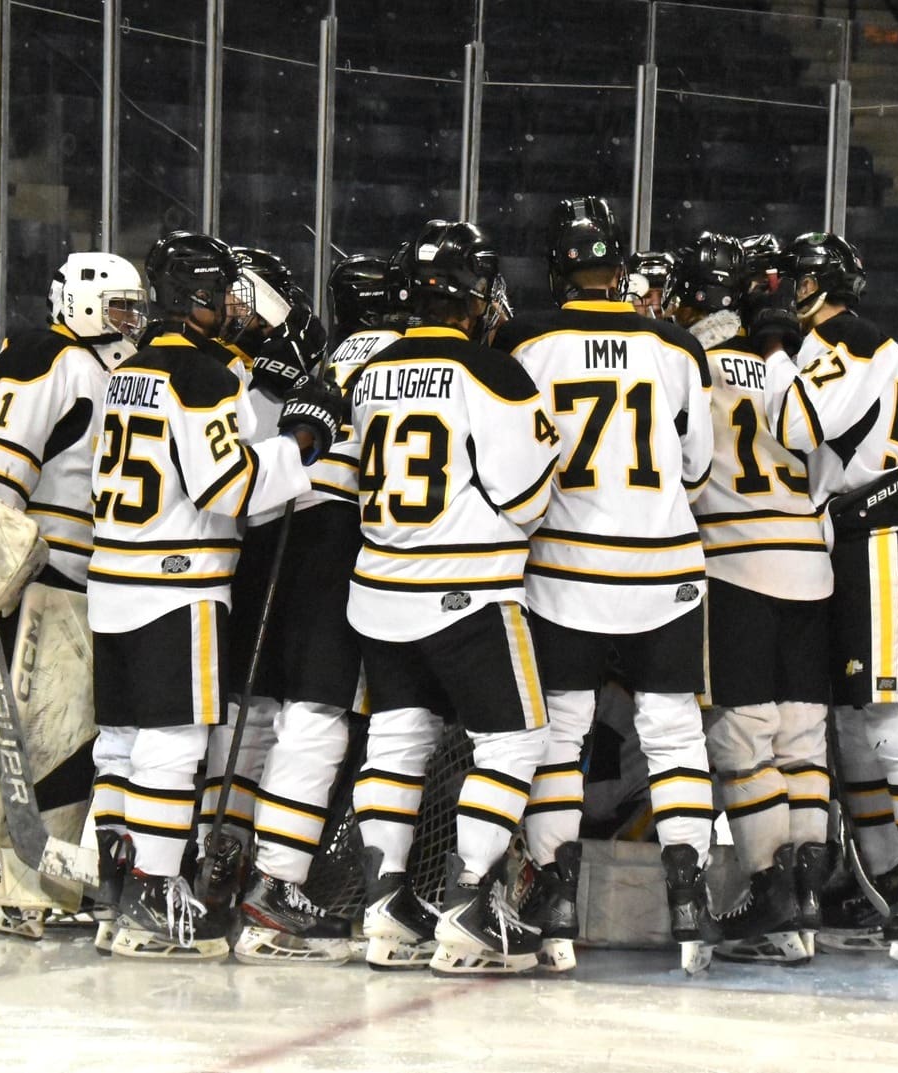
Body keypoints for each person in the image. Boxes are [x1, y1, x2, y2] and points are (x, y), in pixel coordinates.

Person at [85, 230, 345, 960]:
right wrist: (304, 437)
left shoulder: (129, 369)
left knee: (124, 742)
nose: (231, 304)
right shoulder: (201, 378)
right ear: (195, 297)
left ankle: (116, 889)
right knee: (171, 744)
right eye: (221, 291)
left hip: (113, 579)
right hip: (178, 582)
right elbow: (229, 488)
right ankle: (155, 895)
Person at [492, 196, 717, 974]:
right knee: (673, 730)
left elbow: (511, 460)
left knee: (561, 731)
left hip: (565, 565)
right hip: (667, 565)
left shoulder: (528, 339)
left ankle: (556, 903)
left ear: (558, 267)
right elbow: (696, 467)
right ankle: (690, 899)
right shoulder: (678, 344)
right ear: (620, 266)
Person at [345, 220, 559, 975]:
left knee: (397, 740)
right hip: (468, 591)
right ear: (476, 295)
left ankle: (386, 904)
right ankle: (471, 901)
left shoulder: (369, 371)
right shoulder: (494, 373)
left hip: (377, 589)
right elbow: (530, 495)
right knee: (516, 741)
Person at [769, 232, 898, 963]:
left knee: (893, 722)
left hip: (883, 551)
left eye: (799, 278)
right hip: (841, 554)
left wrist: (875, 500)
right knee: (852, 731)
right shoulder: (861, 354)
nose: (790, 291)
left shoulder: (852, 338)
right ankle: (884, 881)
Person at [0, 251, 146, 941]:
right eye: (119, 305)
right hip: (43, 574)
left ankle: (47, 871)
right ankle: (14, 877)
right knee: (42, 736)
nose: (130, 319)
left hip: (94, 580)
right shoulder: (42, 354)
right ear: (82, 301)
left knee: (77, 737)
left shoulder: (111, 365)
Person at [225, 252, 399, 965]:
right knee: (318, 717)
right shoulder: (407, 353)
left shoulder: (319, 360)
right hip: (341, 538)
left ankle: (221, 867)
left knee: (256, 710)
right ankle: (276, 888)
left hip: (270, 534)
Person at [671, 232, 829, 964]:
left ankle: (769, 893)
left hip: (737, 563)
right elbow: (815, 443)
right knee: (802, 739)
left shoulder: (688, 361)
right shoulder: (781, 357)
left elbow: (687, 468)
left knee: (742, 739)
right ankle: (806, 902)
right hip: (811, 565)